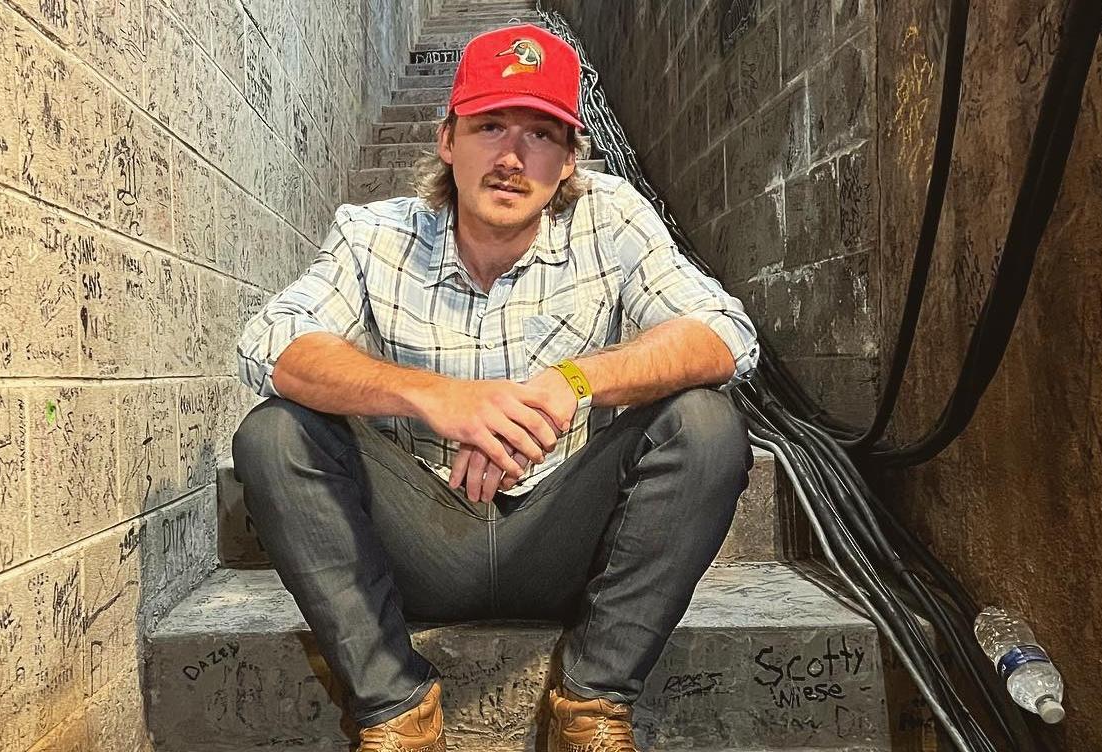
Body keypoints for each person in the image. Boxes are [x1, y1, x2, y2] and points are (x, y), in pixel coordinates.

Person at [233, 23, 759, 752]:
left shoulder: (610, 218)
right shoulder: (373, 235)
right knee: (274, 432)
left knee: (706, 424)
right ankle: (394, 710)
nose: (512, 157)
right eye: (490, 127)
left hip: (562, 536)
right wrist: (436, 397)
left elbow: (725, 333)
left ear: (570, 157)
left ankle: (591, 705)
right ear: (449, 139)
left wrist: (575, 382)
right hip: (420, 538)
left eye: (541, 134)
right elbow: (271, 343)